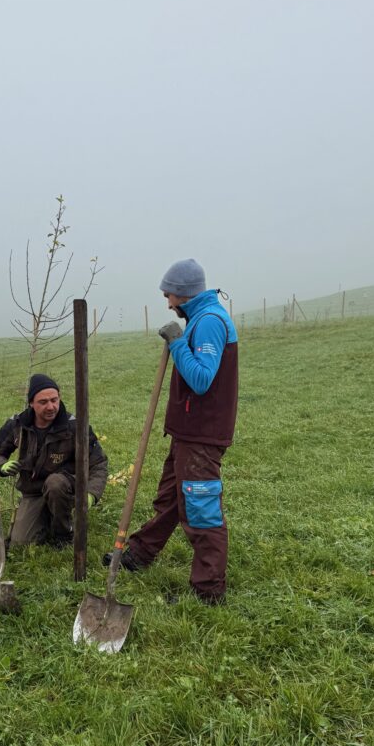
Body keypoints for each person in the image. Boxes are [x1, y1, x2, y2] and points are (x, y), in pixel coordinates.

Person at [105, 258, 238, 604]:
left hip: (202, 434)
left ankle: (209, 590)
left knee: (200, 509)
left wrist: (178, 343)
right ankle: (139, 554)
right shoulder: (199, 319)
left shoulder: (209, 322)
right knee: (170, 499)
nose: (167, 303)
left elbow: (202, 379)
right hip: (188, 432)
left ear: (183, 293)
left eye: (169, 295)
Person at [0, 374, 109, 547]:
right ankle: (45, 514)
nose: (51, 407)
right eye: (43, 402)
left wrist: (91, 494)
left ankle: (63, 533)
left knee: (55, 483)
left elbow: (98, 464)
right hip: (33, 492)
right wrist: (1, 466)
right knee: (20, 542)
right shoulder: (18, 424)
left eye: (54, 400)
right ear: (31, 403)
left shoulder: (75, 426)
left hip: (65, 486)